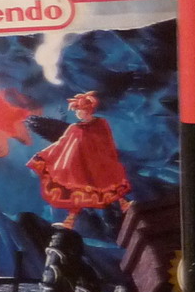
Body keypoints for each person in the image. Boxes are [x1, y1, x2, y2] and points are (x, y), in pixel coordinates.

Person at [27, 91, 131, 227]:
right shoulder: (74, 128)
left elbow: (107, 141)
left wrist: (108, 158)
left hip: (101, 164)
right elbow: (62, 145)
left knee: (111, 185)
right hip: (83, 167)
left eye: (79, 110)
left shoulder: (101, 123)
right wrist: (43, 156)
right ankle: (70, 221)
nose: (77, 113)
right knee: (77, 194)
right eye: (76, 110)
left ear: (87, 110)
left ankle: (123, 204)